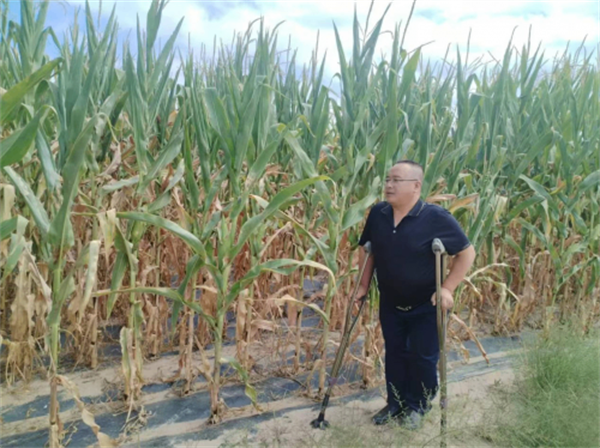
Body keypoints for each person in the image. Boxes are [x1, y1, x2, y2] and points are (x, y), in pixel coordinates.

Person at [356, 159, 476, 428]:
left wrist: (447, 288)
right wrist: (363, 285)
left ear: (416, 186)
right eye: (388, 179)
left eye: (396, 180)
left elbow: (467, 253)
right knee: (395, 354)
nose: (389, 185)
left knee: (423, 358)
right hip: (391, 301)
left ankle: (417, 406)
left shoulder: (436, 218)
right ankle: (395, 403)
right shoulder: (378, 214)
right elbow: (367, 250)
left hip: (426, 305)